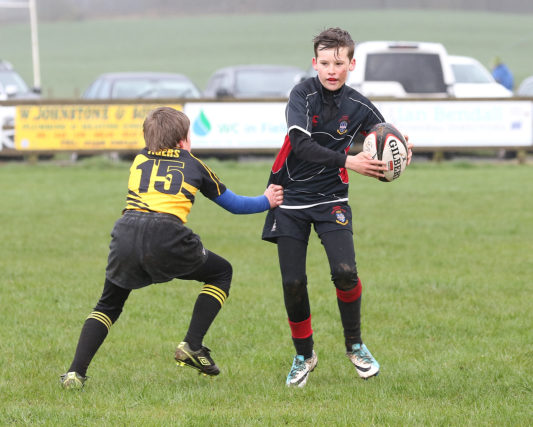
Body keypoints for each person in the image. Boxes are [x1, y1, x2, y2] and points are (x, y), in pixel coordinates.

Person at [60, 106, 283, 389]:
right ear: (182, 141)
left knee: (108, 304)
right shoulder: (194, 164)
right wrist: (266, 200)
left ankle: (75, 374)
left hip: (126, 231)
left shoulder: (140, 158)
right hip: (166, 233)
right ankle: (192, 345)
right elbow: (235, 205)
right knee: (221, 273)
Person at [262, 27, 412, 387]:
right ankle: (304, 355)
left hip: (332, 199)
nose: (332, 70)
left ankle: (355, 346)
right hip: (289, 197)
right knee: (293, 281)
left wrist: (402, 148)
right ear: (315, 63)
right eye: (325, 63)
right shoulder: (301, 95)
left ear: (351, 64)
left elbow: (383, 135)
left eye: (339, 63)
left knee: (345, 272)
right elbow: (300, 145)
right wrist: (349, 160)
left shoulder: (358, 104)